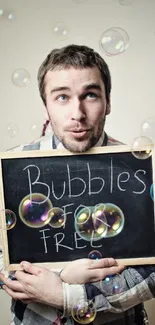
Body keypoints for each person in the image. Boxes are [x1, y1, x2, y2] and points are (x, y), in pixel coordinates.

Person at [0, 44, 153, 325]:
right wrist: (61, 278)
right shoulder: (11, 169)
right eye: (62, 97)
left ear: (108, 102)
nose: (78, 113)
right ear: (46, 104)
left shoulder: (141, 170)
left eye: (90, 95)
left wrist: (69, 296)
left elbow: (152, 271)